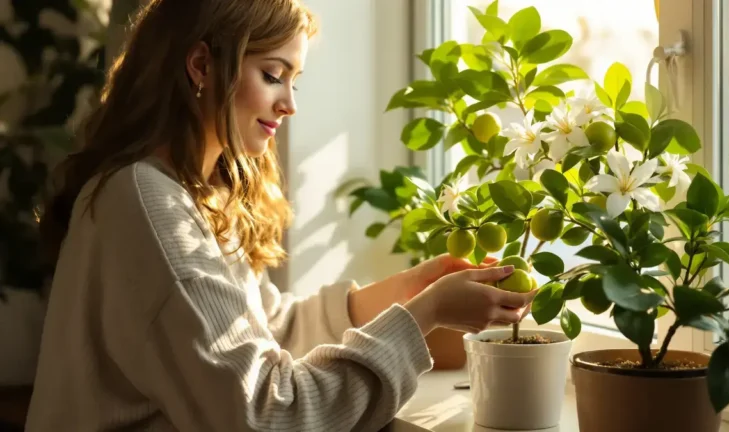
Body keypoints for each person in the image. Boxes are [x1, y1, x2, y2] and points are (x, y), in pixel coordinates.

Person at [25, 0, 536, 430]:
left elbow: (271, 329)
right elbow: (270, 413)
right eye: (272, 75)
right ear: (201, 65)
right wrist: (426, 314)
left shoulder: (195, 194)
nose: (289, 104)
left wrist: (411, 290)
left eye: (295, 81)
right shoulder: (147, 204)